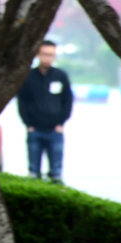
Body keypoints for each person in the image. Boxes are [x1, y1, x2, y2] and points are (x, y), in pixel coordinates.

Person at [17, 40, 73, 184]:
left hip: (55, 130)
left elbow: (68, 100)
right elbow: (22, 101)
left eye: (51, 55)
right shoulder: (28, 76)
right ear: (38, 54)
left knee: (56, 174)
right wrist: (28, 124)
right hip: (34, 129)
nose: (48, 58)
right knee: (33, 172)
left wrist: (61, 122)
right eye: (45, 54)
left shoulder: (60, 76)